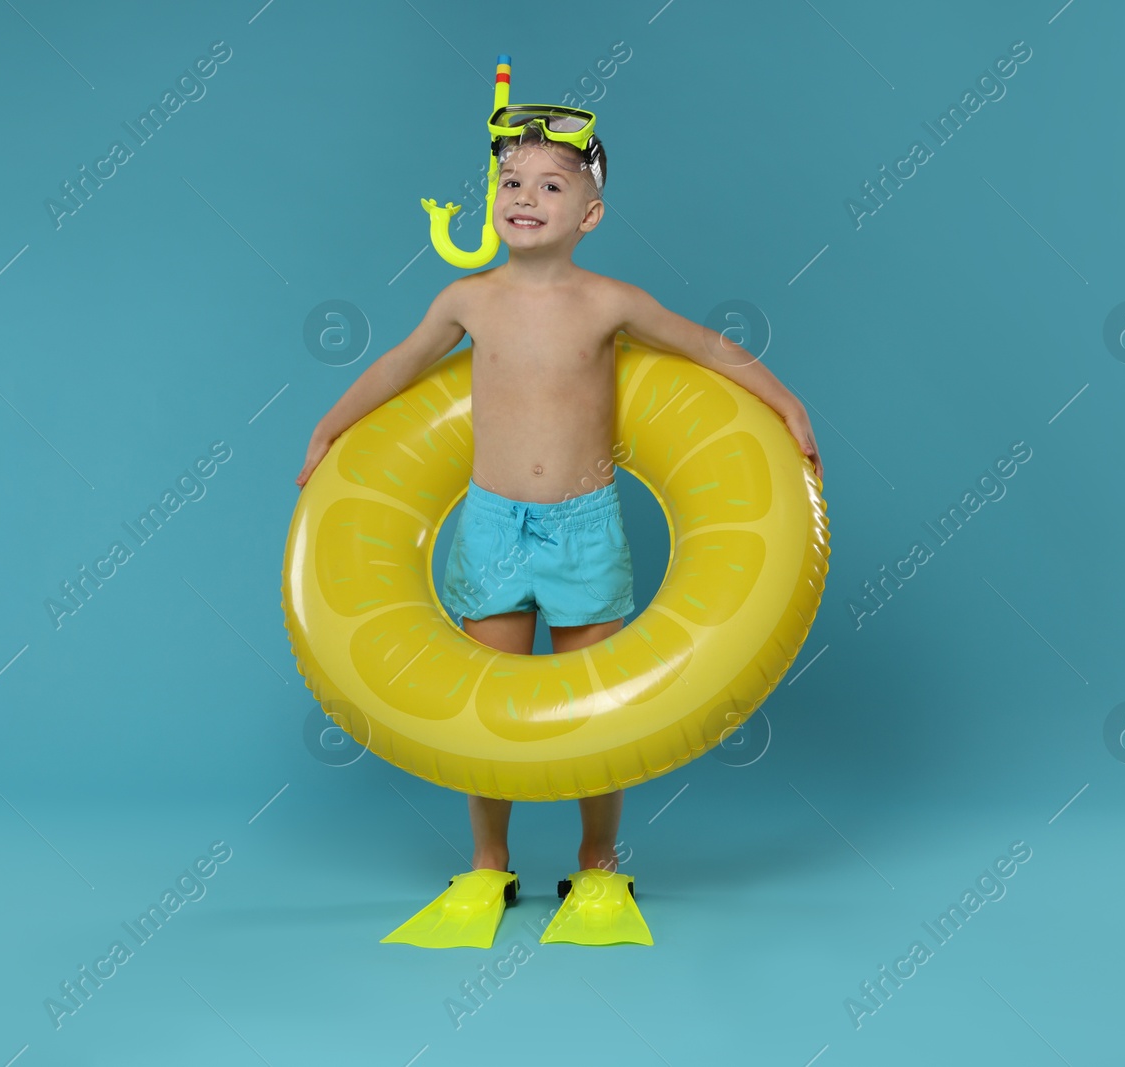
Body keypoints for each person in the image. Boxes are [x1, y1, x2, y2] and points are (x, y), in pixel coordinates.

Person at [297, 111, 822, 945]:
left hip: (584, 526)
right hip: (492, 526)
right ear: (491, 204)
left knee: (598, 713)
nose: (525, 197)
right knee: (485, 705)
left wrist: (787, 402)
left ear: (590, 213)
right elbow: (400, 364)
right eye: (510, 183)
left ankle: (599, 863)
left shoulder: (610, 301)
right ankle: (486, 864)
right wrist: (330, 427)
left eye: (551, 184)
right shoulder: (467, 299)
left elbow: (706, 348)